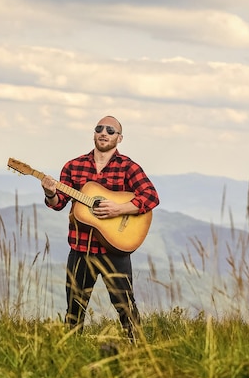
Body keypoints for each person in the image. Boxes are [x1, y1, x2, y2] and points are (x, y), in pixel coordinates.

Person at [40, 115, 160, 342]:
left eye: (111, 130)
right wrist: (50, 192)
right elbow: (58, 205)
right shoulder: (73, 166)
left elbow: (151, 196)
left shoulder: (128, 167)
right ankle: (71, 351)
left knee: (125, 306)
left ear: (119, 138)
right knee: (74, 309)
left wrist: (119, 209)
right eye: (99, 128)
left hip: (115, 249)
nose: (104, 132)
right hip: (80, 249)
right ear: (94, 133)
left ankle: (137, 350)